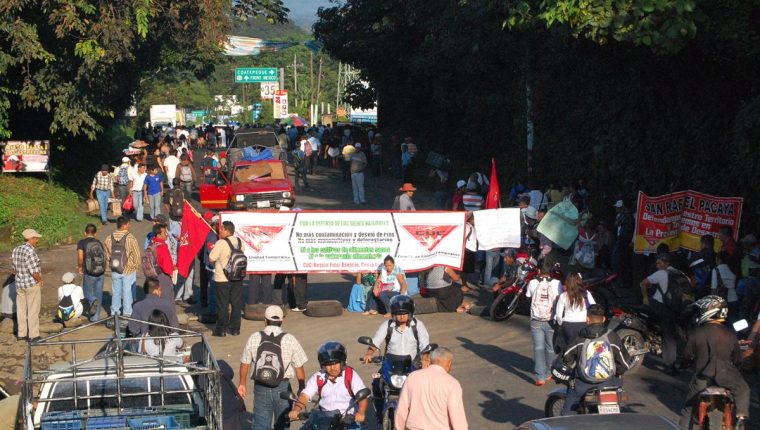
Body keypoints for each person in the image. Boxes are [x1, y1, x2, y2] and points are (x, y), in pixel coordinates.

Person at [678, 296, 749, 429]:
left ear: (708, 311)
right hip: (728, 377)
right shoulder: (730, 333)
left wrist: (683, 365)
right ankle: (741, 417)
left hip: (702, 379)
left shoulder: (696, 332)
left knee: (688, 407)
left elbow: (687, 356)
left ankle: (683, 427)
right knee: (743, 389)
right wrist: (738, 368)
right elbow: (738, 358)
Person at [238, 306, 308, 430]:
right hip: (283, 388)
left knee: (260, 425)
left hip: (261, 387)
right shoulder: (290, 339)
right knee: (282, 424)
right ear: (282, 321)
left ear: (264, 321)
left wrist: (242, 383)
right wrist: (301, 387)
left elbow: (245, 363)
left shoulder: (254, 337)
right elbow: (299, 366)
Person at [555, 304, 631, 415]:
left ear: (587, 319)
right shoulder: (612, 337)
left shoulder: (579, 337)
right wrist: (618, 371)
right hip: (608, 382)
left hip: (583, 383)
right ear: (604, 319)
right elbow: (624, 363)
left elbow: (567, 357)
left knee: (567, 414)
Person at [289, 342, 368, 429]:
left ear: (342, 362)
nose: (332, 367)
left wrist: (361, 413)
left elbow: (362, 396)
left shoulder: (350, 374)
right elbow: (305, 395)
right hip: (324, 420)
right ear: (322, 365)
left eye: (335, 363)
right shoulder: (318, 377)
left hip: (348, 420)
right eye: (328, 364)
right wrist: (296, 410)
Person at [394, 347, 468, 430]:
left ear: (431, 360)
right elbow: (457, 417)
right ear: (449, 363)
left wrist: (399, 428)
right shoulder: (452, 383)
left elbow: (401, 409)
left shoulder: (412, 377)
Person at [639, 252, 682, 375]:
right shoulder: (678, 273)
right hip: (674, 308)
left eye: (660, 263)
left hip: (660, 306)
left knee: (668, 336)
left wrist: (645, 297)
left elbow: (643, 283)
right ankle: (671, 362)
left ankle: (669, 364)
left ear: (666, 263)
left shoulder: (661, 273)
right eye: (657, 263)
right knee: (670, 336)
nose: (657, 265)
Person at [363, 296, 430, 363]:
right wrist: (369, 354)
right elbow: (376, 341)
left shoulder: (418, 325)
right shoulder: (387, 325)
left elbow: (424, 344)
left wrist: (425, 358)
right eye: (399, 314)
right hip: (391, 365)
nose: (402, 316)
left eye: (405, 313)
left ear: (410, 313)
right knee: (377, 374)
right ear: (393, 314)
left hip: (413, 365)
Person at [526, 266, 562, 385]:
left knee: (538, 347)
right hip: (551, 319)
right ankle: (548, 373)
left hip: (536, 319)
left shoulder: (532, 282)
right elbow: (560, 299)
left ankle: (540, 377)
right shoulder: (557, 283)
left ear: (539, 271)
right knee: (550, 347)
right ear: (550, 272)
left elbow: (528, 297)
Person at [209, 220, 243, 337]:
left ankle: (221, 329)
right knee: (236, 303)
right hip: (237, 277)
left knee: (222, 305)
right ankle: (235, 329)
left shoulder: (221, 243)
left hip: (222, 278)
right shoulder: (239, 242)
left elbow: (211, 258)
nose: (220, 231)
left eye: (222, 229)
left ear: (227, 230)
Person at [104, 217, 140, 317]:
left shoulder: (108, 238)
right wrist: (134, 266)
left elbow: (107, 255)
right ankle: (127, 313)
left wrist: (111, 266)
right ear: (124, 225)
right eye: (129, 224)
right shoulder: (130, 238)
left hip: (115, 269)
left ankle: (114, 312)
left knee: (116, 292)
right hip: (128, 270)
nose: (130, 226)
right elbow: (137, 255)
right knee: (127, 292)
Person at [10, 229, 43, 342]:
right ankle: (34, 335)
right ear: (31, 239)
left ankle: (21, 334)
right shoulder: (30, 251)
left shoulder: (16, 249)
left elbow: (14, 269)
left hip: (19, 284)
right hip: (31, 284)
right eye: (36, 238)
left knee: (21, 310)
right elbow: (34, 271)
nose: (37, 241)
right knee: (33, 310)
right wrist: (40, 280)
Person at [555, 272, 596, 351]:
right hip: (583, 324)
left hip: (568, 326)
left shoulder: (563, 296)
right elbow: (594, 307)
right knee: (583, 349)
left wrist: (562, 324)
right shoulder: (586, 294)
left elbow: (558, 315)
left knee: (569, 349)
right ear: (579, 281)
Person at [76, 224, 104, 321]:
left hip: (89, 272)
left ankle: (92, 300)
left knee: (86, 292)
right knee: (98, 293)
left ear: (85, 232)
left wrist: (80, 267)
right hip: (100, 272)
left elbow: (80, 257)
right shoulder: (99, 242)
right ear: (95, 233)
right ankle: (95, 317)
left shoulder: (81, 242)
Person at [149, 223, 177, 302]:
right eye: (164, 233)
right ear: (159, 235)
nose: (167, 234)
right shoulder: (162, 247)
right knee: (167, 298)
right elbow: (166, 265)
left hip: (152, 274)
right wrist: (171, 272)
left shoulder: (152, 243)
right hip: (162, 276)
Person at [712, 251, 739, 322]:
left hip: (722, 301)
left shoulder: (716, 270)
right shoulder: (734, 268)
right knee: (733, 323)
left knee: (722, 322)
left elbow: (714, 289)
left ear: (719, 260)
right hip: (734, 299)